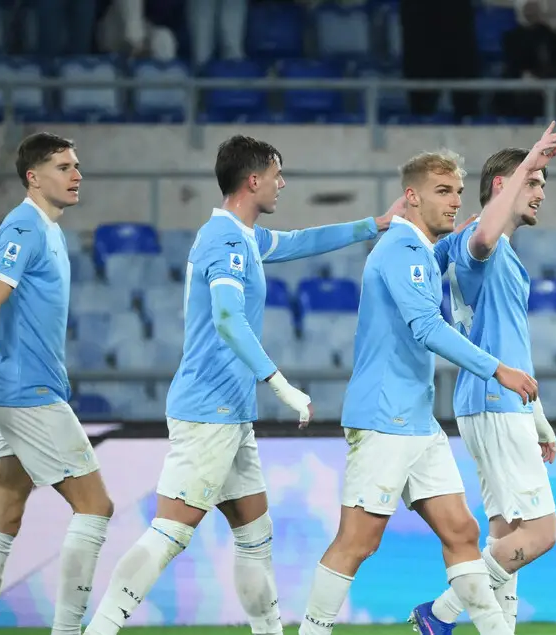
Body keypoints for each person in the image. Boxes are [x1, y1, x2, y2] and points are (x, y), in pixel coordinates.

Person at [83, 135, 396, 635]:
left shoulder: (244, 236)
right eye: (276, 175)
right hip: (208, 410)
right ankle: (99, 629)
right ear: (253, 181)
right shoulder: (225, 240)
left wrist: (373, 224)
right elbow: (227, 319)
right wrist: (280, 384)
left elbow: (301, 242)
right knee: (170, 532)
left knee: (255, 535)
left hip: (230, 413)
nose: (282, 183)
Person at [296, 143, 556, 635]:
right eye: (443, 191)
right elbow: (427, 324)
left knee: (463, 531)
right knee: (358, 542)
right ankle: (317, 630)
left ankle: (450, 622)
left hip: (419, 419)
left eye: (458, 191)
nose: (455, 201)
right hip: (385, 417)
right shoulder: (404, 250)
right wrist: (497, 370)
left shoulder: (422, 249)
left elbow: (462, 243)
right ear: (413, 197)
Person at [410, 124, 556, 635]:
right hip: (495, 403)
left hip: (491, 402)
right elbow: (481, 238)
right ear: (503, 185)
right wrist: (530, 158)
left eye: (541, 183)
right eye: (533, 181)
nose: (540, 192)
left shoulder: (494, 248)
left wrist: (538, 418)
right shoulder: (483, 240)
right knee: (541, 533)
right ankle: (440, 613)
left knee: (507, 534)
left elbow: (511, 345)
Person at [0, 132, 114, 635]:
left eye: (77, 166)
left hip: (18, 392)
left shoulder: (47, 228)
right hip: (29, 394)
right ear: (33, 177)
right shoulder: (24, 226)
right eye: (64, 167)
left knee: (2, 515)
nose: (77, 175)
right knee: (95, 507)